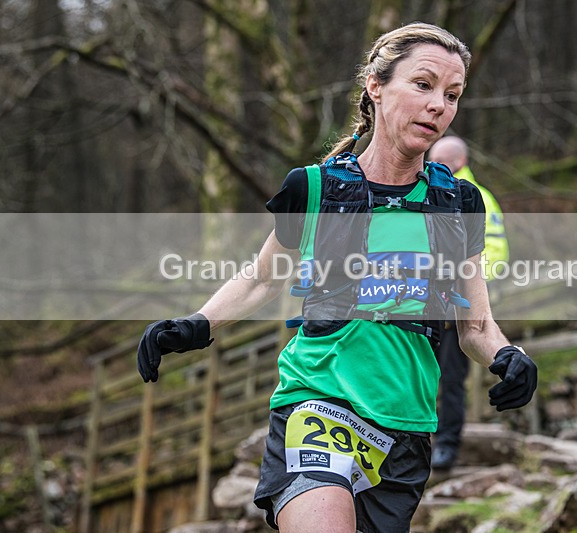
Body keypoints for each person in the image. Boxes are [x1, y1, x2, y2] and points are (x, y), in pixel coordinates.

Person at [136, 22, 537, 533]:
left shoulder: (457, 204)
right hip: (318, 406)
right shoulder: (314, 189)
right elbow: (262, 279)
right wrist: (197, 324)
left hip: (406, 428)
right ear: (375, 85)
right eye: (423, 84)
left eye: (452, 94)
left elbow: (475, 327)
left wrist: (508, 356)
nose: (439, 104)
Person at [427, 135, 510, 470]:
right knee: (417, 369)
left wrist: (465, 288)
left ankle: (446, 446)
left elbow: (496, 252)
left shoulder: (476, 198)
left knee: (451, 377)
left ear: (460, 162)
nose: (433, 167)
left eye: (441, 162)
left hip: (458, 305)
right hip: (424, 302)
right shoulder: (425, 191)